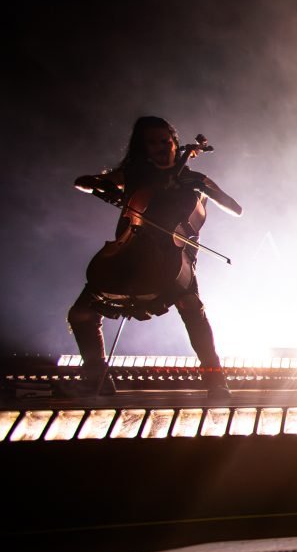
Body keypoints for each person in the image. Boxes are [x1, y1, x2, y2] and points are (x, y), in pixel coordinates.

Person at [67, 116, 242, 398]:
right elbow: (83, 183)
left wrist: (206, 187)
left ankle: (214, 379)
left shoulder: (192, 179)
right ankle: (95, 375)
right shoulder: (134, 174)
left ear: (174, 142)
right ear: (144, 148)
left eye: (165, 140)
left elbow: (236, 208)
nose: (161, 146)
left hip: (174, 256)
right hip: (130, 250)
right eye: (152, 142)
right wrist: (98, 183)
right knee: (80, 313)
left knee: (190, 306)